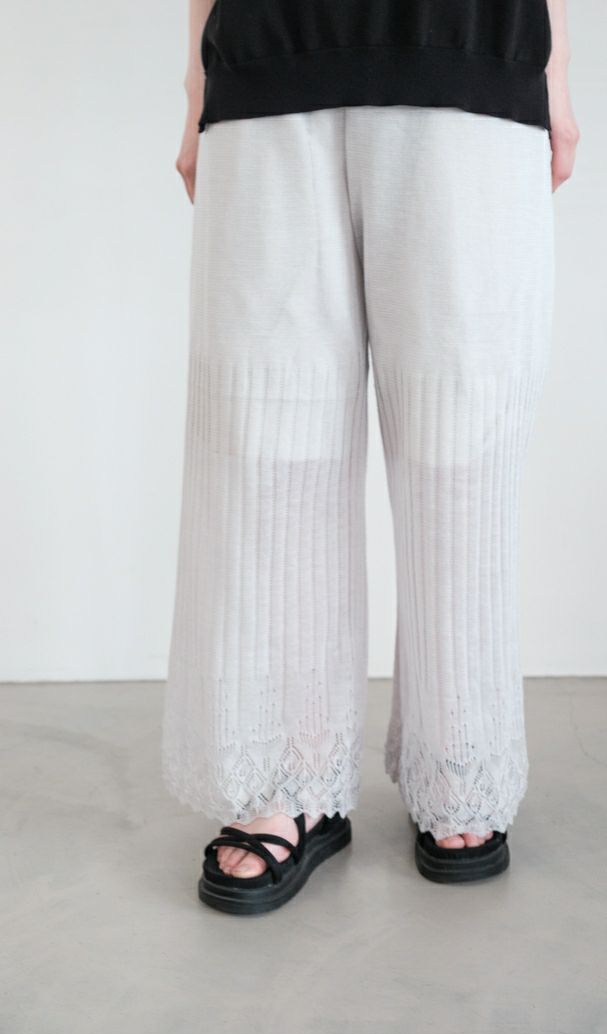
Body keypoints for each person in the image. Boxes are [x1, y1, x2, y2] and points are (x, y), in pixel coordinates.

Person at [164, 0, 579, 915]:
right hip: (268, 48)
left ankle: (461, 762)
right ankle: (287, 777)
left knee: (460, 437)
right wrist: (197, 79)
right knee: (269, 436)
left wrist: (552, 70)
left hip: (471, 40)